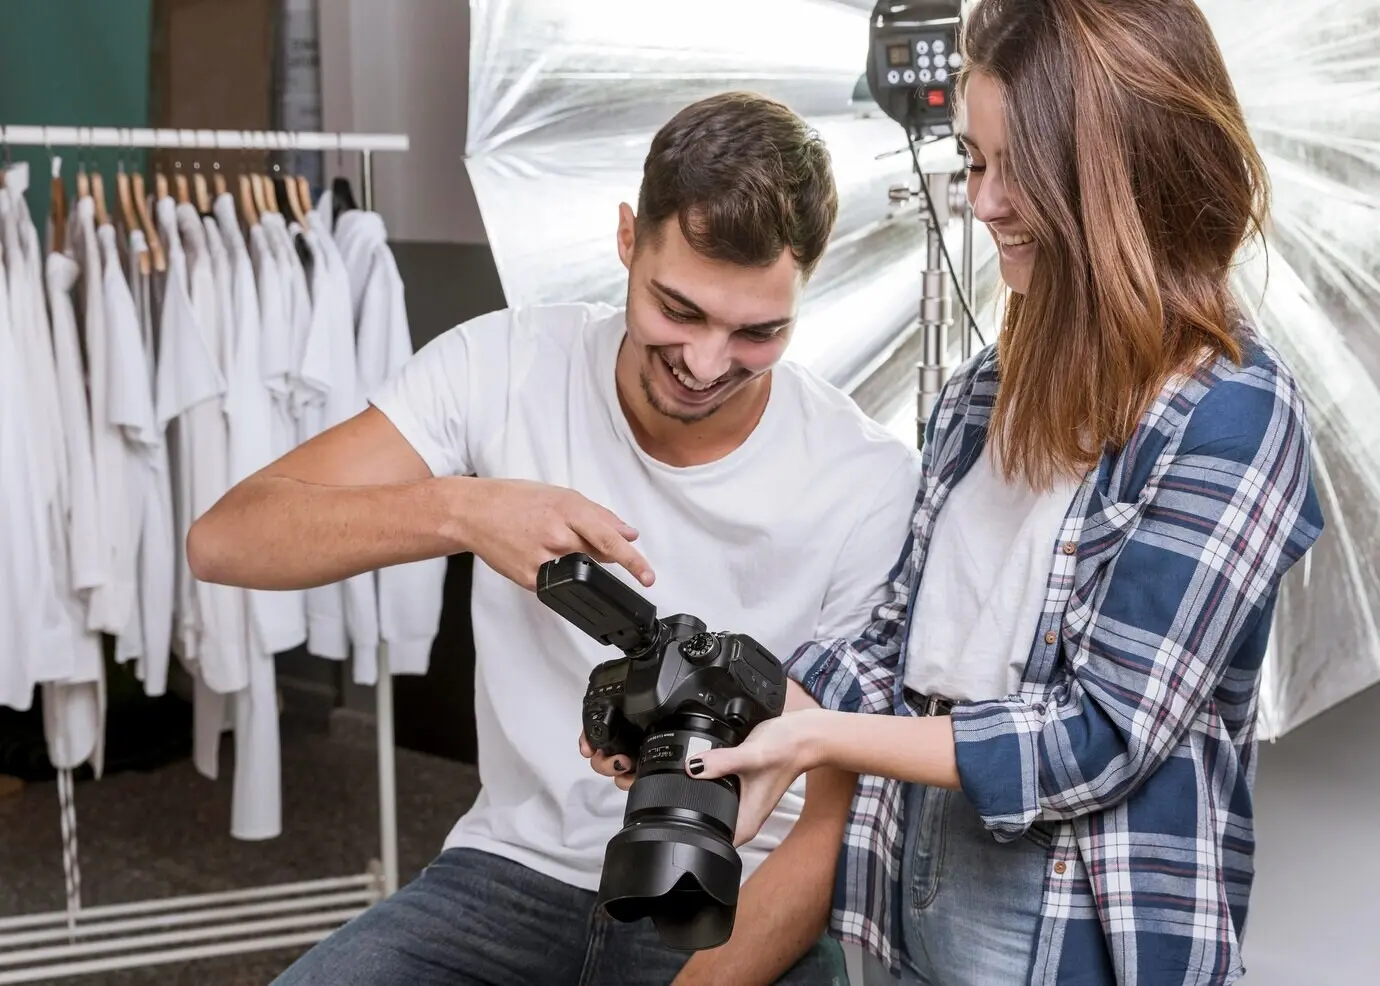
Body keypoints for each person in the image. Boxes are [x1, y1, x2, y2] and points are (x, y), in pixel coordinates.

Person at [587, 2, 1326, 984]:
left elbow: (1102, 733)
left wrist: (817, 735)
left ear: (1114, 171)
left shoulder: (1233, 420)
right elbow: (900, 635)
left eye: (1014, 167)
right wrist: (746, 719)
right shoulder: (986, 391)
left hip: (1073, 913)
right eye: (973, 162)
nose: (983, 200)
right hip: (911, 875)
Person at [188, 90, 922, 985]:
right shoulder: (502, 364)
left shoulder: (867, 478)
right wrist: (463, 511)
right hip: (509, 872)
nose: (706, 363)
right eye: (678, 311)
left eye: (758, 331)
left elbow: (828, 830)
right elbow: (226, 539)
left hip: (734, 895)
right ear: (626, 238)